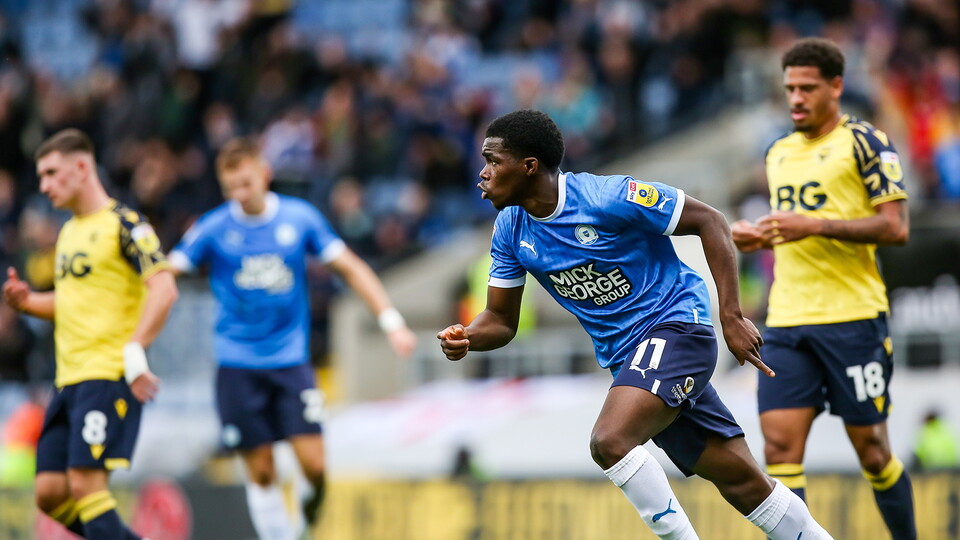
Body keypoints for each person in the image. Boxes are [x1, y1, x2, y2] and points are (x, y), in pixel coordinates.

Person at [438, 109, 833, 540]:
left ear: (529, 166)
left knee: (610, 441)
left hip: (677, 328)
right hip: (633, 363)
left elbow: (709, 220)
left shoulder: (608, 197)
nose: (483, 172)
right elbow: (499, 319)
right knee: (744, 483)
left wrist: (731, 316)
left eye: (493, 160)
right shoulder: (510, 230)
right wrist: (468, 336)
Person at [168, 137, 417, 540]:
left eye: (246, 184)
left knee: (315, 468)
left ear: (265, 175)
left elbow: (351, 268)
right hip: (237, 364)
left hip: (290, 361)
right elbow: (167, 272)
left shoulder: (300, 219)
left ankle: (300, 527)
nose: (239, 195)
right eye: (230, 188)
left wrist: (391, 321)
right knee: (262, 470)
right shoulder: (213, 228)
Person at [731, 37, 916, 539]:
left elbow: (895, 228)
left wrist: (811, 225)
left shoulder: (866, 142)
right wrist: (757, 237)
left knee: (873, 453)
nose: (795, 98)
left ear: (836, 86)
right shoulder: (777, 152)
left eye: (807, 87)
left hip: (852, 317)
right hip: (787, 321)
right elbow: (787, 227)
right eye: (789, 87)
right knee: (780, 450)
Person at [2, 128, 179, 539]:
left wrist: (136, 346)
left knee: (85, 486)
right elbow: (70, 302)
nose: (43, 185)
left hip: (107, 375)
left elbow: (164, 287)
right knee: (48, 492)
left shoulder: (127, 224)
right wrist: (29, 301)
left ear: (82, 168)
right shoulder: (67, 234)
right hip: (67, 380)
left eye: (51, 173)